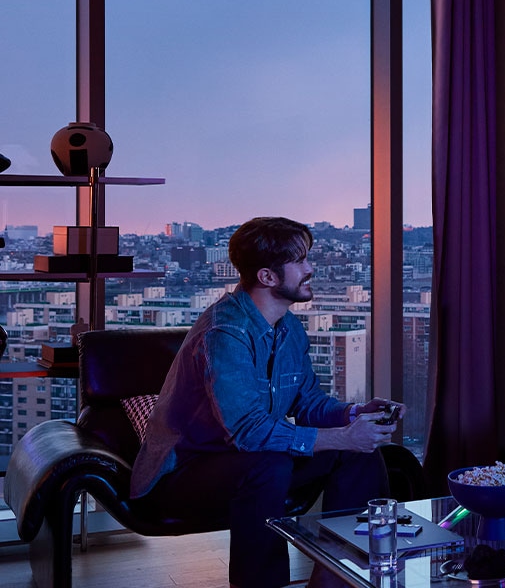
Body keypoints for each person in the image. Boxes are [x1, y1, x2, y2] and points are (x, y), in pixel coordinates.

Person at [131, 216, 404, 588]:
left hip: (247, 460)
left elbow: (307, 402)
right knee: (268, 465)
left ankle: (340, 578)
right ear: (267, 278)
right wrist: (341, 436)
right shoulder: (225, 333)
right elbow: (247, 431)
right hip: (185, 474)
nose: (310, 269)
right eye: (300, 261)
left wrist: (355, 414)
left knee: (359, 453)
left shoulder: (288, 327)